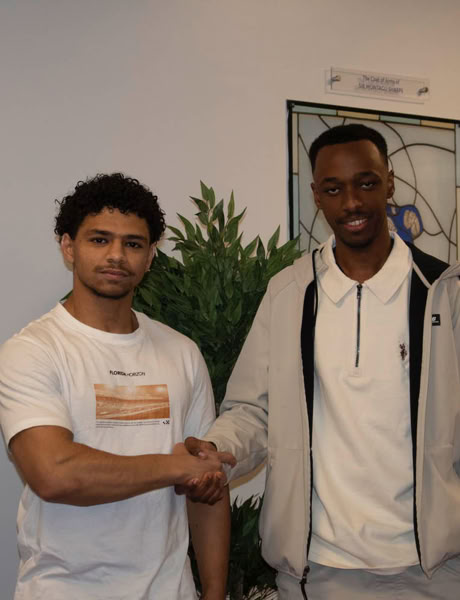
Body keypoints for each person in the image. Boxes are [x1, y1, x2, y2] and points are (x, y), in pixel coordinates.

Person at [186, 124, 460, 599]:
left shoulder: (445, 292)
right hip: (319, 571)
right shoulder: (289, 294)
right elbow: (253, 409)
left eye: (366, 183)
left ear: (390, 183)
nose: (351, 202)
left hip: (434, 571)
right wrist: (218, 450)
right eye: (333, 189)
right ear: (316, 196)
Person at [0, 173, 232, 600]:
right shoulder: (32, 350)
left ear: (150, 256)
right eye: (99, 239)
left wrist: (215, 594)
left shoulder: (181, 352)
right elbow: (54, 473)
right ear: (68, 247)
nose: (116, 256)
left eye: (133, 244)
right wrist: (178, 467)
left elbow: (206, 483)